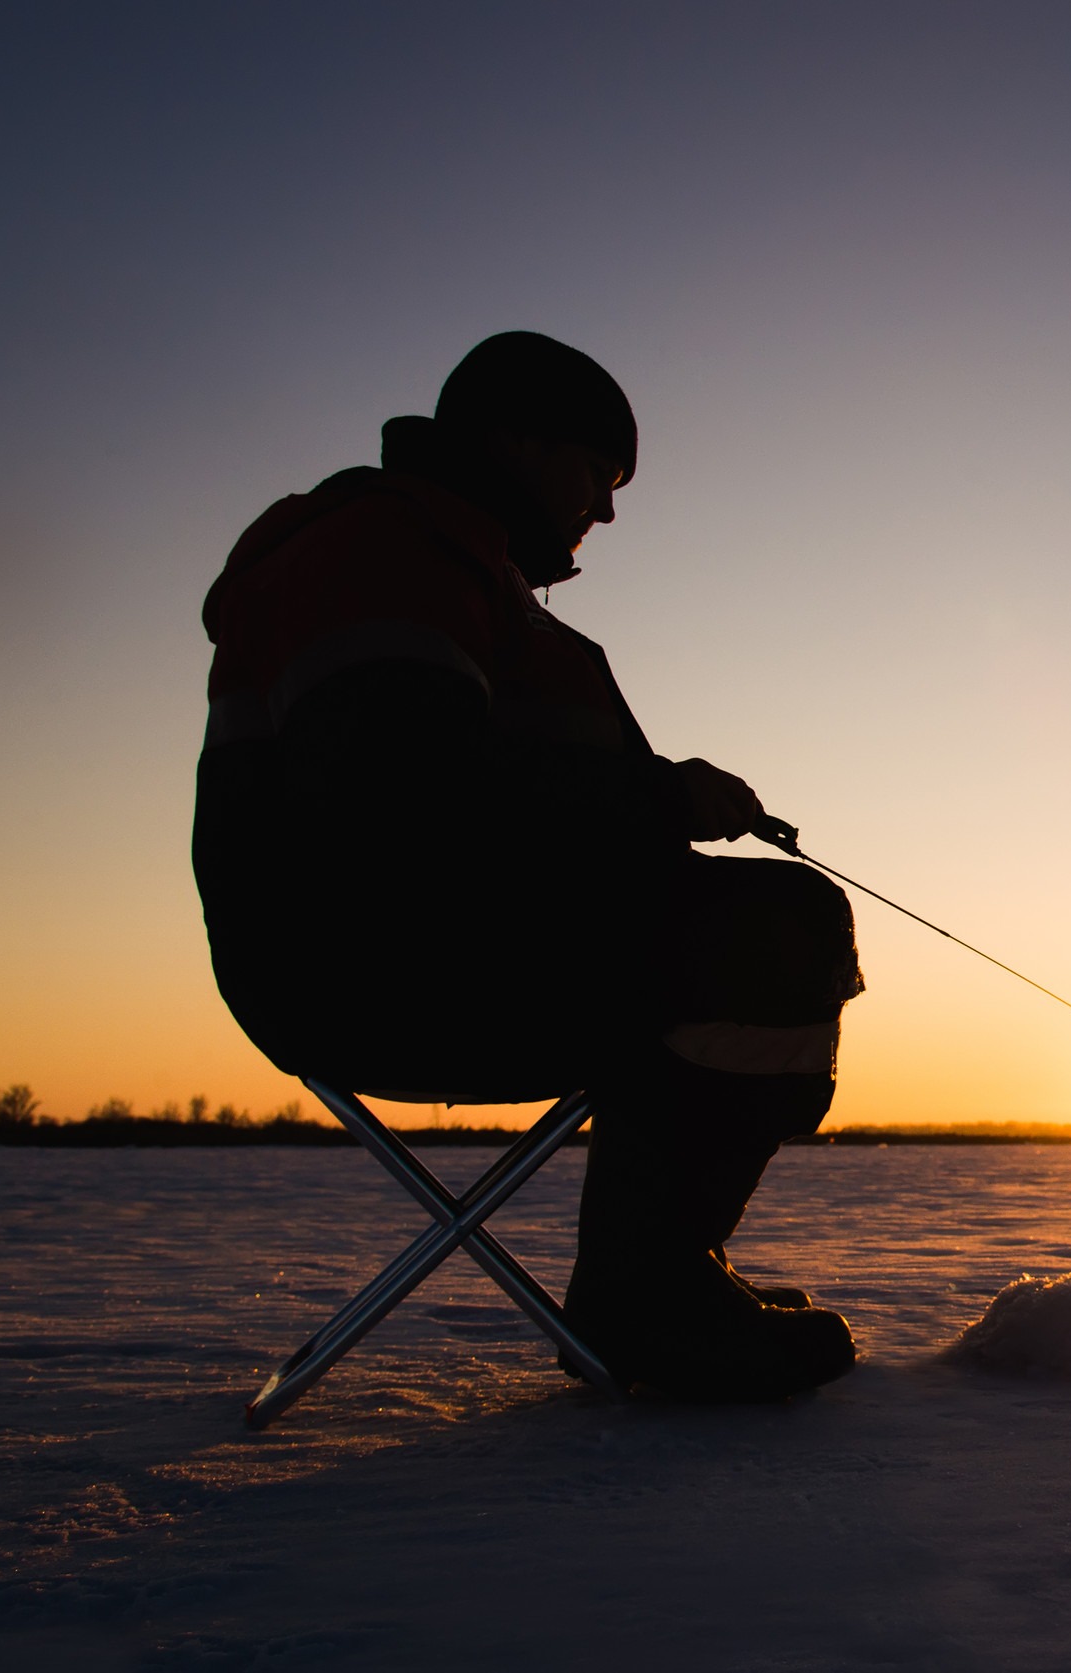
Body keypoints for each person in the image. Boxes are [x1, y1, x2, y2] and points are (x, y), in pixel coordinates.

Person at [193, 331, 862, 1400]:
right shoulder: (384, 546)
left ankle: (660, 1275)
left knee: (759, 925)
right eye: (599, 473)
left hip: (420, 940)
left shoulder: (445, 565)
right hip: (373, 963)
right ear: (516, 440)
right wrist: (663, 795)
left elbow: (485, 793)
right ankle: (647, 1301)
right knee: (777, 930)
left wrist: (662, 803)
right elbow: (399, 786)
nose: (604, 512)